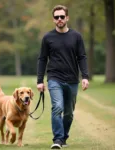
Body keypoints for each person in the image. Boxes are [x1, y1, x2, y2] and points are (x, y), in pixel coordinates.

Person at [37, 5, 89, 149]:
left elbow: (82, 57)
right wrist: (40, 80)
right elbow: (42, 59)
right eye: (56, 17)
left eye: (62, 16)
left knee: (69, 113)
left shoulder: (76, 36)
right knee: (57, 107)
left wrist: (85, 76)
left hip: (72, 79)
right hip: (54, 78)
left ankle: (64, 137)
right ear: (53, 20)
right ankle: (58, 140)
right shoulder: (48, 38)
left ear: (67, 18)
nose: (59, 19)